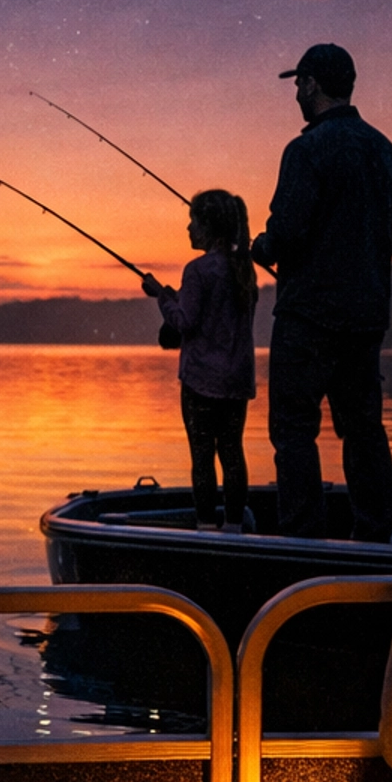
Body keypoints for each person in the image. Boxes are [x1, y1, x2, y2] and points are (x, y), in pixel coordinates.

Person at [250, 43, 392, 541]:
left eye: (299, 83)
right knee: (363, 429)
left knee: (294, 429)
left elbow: (289, 232)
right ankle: (377, 535)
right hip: (365, 319)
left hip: (308, 318)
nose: (296, 92)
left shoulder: (305, 150)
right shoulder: (386, 151)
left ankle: (302, 539)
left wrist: (262, 246)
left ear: (313, 84)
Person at [141, 188, 258, 531]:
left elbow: (185, 322)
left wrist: (160, 297)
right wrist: (175, 299)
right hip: (237, 381)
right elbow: (217, 318)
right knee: (233, 453)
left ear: (208, 226)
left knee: (203, 456)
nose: (188, 229)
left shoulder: (198, 270)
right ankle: (235, 528)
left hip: (201, 382)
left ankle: (207, 528)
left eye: (192, 221)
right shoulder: (244, 270)